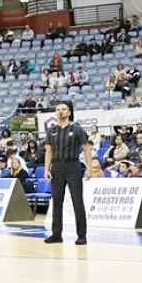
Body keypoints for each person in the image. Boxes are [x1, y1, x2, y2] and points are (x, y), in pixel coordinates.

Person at [44, 101, 91, 245]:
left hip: (73, 167)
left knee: (77, 201)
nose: (60, 111)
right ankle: (56, 234)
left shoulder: (77, 129)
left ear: (69, 112)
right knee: (57, 202)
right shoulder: (51, 130)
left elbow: (86, 149)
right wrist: (46, 169)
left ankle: (81, 235)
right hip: (57, 168)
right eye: (58, 109)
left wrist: (89, 167)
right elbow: (48, 151)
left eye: (63, 109)